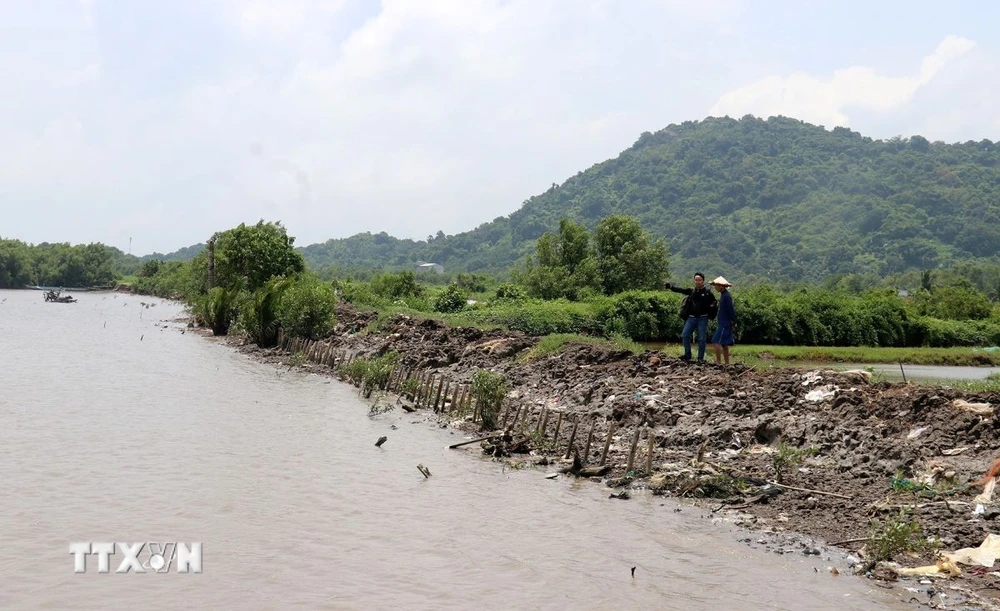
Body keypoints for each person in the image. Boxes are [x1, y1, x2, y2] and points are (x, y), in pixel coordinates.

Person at [665, 273, 718, 362]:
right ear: (694, 280)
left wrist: (713, 307)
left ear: (703, 281)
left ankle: (700, 358)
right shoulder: (691, 291)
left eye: (699, 280)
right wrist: (670, 287)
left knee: (701, 339)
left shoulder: (708, 293)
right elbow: (681, 290)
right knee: (685, 335)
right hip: (691, 318)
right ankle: (687, 355)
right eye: (696, 280)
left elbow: (714, 302)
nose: (698, 282)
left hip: (703, 318)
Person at [710, 276, 736, 365]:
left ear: (721, 286)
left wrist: (733, 322)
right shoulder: (724, 295)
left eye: (716, 285)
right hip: (723, 323)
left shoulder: (726, 296)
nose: (715, 287)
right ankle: (727, 363)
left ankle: (718, 362)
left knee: (715, 341)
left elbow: (731, 310)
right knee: (724, 344)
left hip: (725, 324)